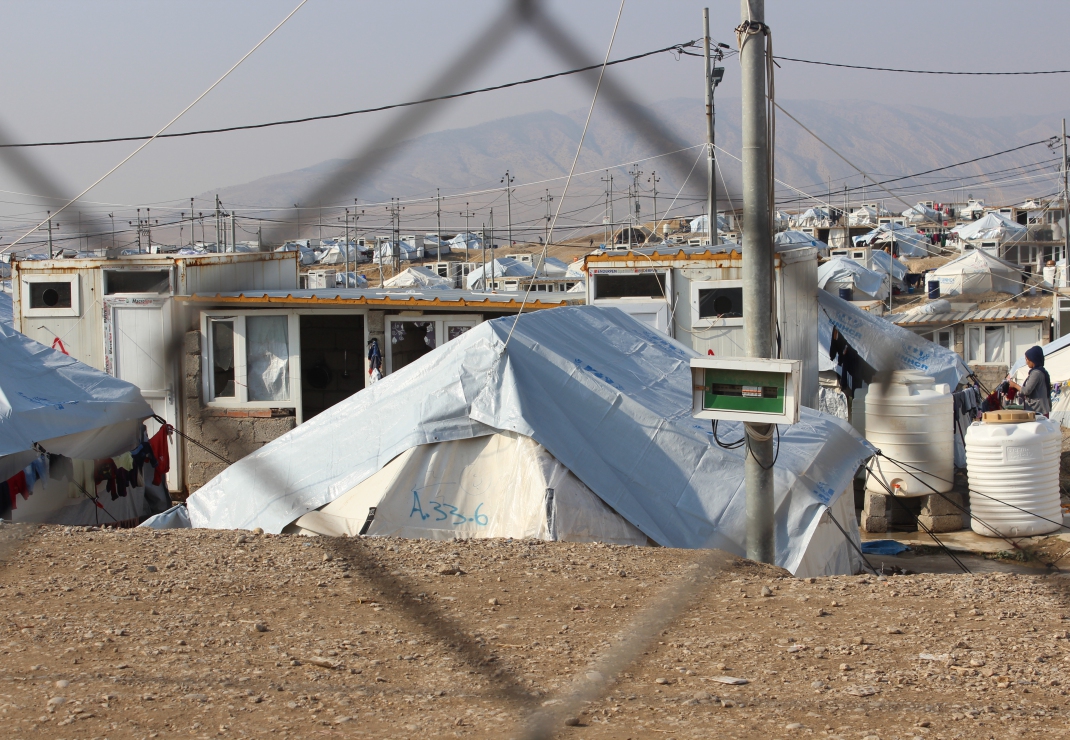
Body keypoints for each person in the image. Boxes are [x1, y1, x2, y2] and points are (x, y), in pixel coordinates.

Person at [1007, 345, 1051, 416]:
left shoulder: (1036, 373)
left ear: (1033, 360)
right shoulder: (1042, 372)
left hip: (1037, 410)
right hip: (1041, 409)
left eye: (1027, 359)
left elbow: (1026, 391)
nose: (1026, 362)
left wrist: (1014, 385)